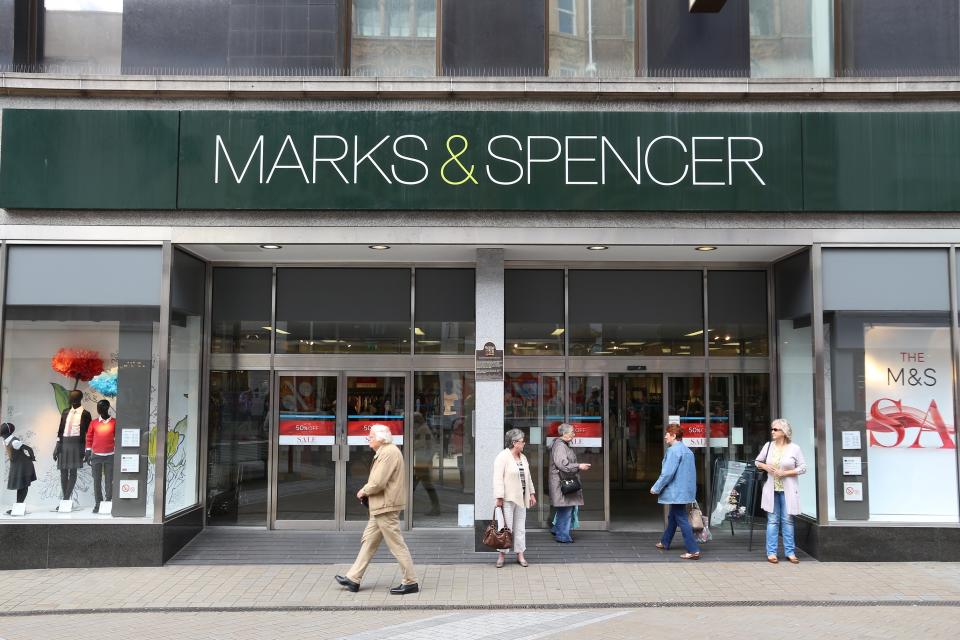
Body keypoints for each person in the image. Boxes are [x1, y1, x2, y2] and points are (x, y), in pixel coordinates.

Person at [335, 423, 419, 595]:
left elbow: (378, 482)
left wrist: (363, 491)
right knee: (369, 542)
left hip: (385, 507)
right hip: (381, 506)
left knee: (396, 545)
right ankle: (353, 578)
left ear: (381, 438)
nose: (368, 439)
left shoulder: (388, 453)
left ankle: (410, 582)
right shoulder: (386, 451)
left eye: (371, 436)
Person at [755, 418, 807, 564]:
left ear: (784, 432)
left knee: (788, 521)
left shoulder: (794, 448)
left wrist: (786, 473)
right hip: (771, 489)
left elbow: (803, 467)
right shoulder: (768, 446)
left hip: (787, 490)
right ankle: (771, 552)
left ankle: (790, 552)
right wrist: (765, 467)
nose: (772, 432)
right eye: (772, 429)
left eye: (775, 429)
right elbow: (757, 462)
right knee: (772, 521)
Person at [651, 424, 700, 560]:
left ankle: (693, 549)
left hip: (676, 492)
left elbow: (667, 473)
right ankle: (665, 541)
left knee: (681, 518)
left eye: (667, 434)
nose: (665, 436)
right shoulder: (688, 451)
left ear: (673, 436)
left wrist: (656, 487)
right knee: (673, 516)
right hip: (685, 491)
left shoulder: (673, 451)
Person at [493, 428, 536, 567]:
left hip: (521, 498)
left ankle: (520, 554)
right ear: (514, 442)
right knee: (505, 528)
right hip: (507, 498)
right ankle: (502, 555)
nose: (524, 444)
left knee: (520, 528)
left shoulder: (523, 457)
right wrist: (499, 497)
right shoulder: (502, 456)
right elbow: (497, 478)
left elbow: (528, 477)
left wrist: (532, 494)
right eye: (522, 441)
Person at [548, 423, 590, 544]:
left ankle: (557, 529)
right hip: (562, 482)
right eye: (572, 432)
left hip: (562, 481)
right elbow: (562, 464)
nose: (574, 434)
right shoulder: (560, 446)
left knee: (565, 508)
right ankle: (562, 536)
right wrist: (579, 466)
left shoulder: (562, 445)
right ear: (564, 434)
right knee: (566, 509)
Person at [54, 389, 91, 507]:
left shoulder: (85, 414)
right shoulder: (65, 412)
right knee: (63, 473)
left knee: (73, 472)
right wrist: (57, 446)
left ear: (76, 399)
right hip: (64, 443)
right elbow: (60, 430)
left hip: (77, 444)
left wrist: (87, 449)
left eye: (70, 397)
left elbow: (89, 433)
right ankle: (66, 500)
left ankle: (65, 501)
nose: (69, 398)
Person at [84, 399, 116, 513]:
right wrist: (88, 452)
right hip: (96, 455)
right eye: (98, 407)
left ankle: (108, 501)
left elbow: (118, 438)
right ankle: (98, 503)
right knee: (96, 480)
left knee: (109, 480)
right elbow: (89, 437)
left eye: (101, 407)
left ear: (107, 408)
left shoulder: (114, 422)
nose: (98, 409)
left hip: (110, 455)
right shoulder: (93, 423)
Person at [2, 423, 36, 515]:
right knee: (20, 486)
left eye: (2, 427)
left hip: (24, 466)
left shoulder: (14, 442)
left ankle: (19, 507)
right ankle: (18, 507)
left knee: (23, 486)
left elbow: (29, 448)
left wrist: (32, 458)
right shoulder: (6, 440)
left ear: (6, 431)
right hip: (17, 465)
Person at [412, 412, 441, 516]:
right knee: (416, 483)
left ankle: (436, 507)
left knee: (425, 484)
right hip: (422, 460)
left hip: (422, 461)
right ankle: (435, 507)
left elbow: (421, 444)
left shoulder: (423, 430)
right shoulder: (424, 428)